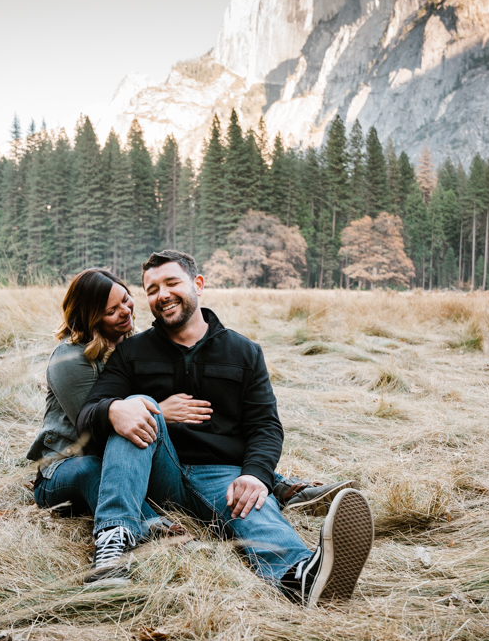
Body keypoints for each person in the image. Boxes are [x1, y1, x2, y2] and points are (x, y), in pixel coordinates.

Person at [76, 250, 374, 607]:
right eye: (152, 289)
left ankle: (301, 578)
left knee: (256, 511)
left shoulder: (244, 352)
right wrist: (114, 410)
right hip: (157, 474)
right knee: (136, 407)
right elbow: (88, 413)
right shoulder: (131, 352)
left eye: (172, 283)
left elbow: (265, 425)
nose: (162, 295)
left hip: (222, 475)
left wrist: (256, 475)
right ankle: (112, 550)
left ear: (198, 285)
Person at [27, 266, 342, 527]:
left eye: (126, 299)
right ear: (90, 317)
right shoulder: (70, 360)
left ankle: (275, 485)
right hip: (69, 465)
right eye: (112, 311)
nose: (125, 312)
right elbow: (94, 438)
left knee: (193, 452)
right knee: (95, 467)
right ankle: (151, 527)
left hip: (127, 463)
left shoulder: (129, 346)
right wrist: (159, 410)